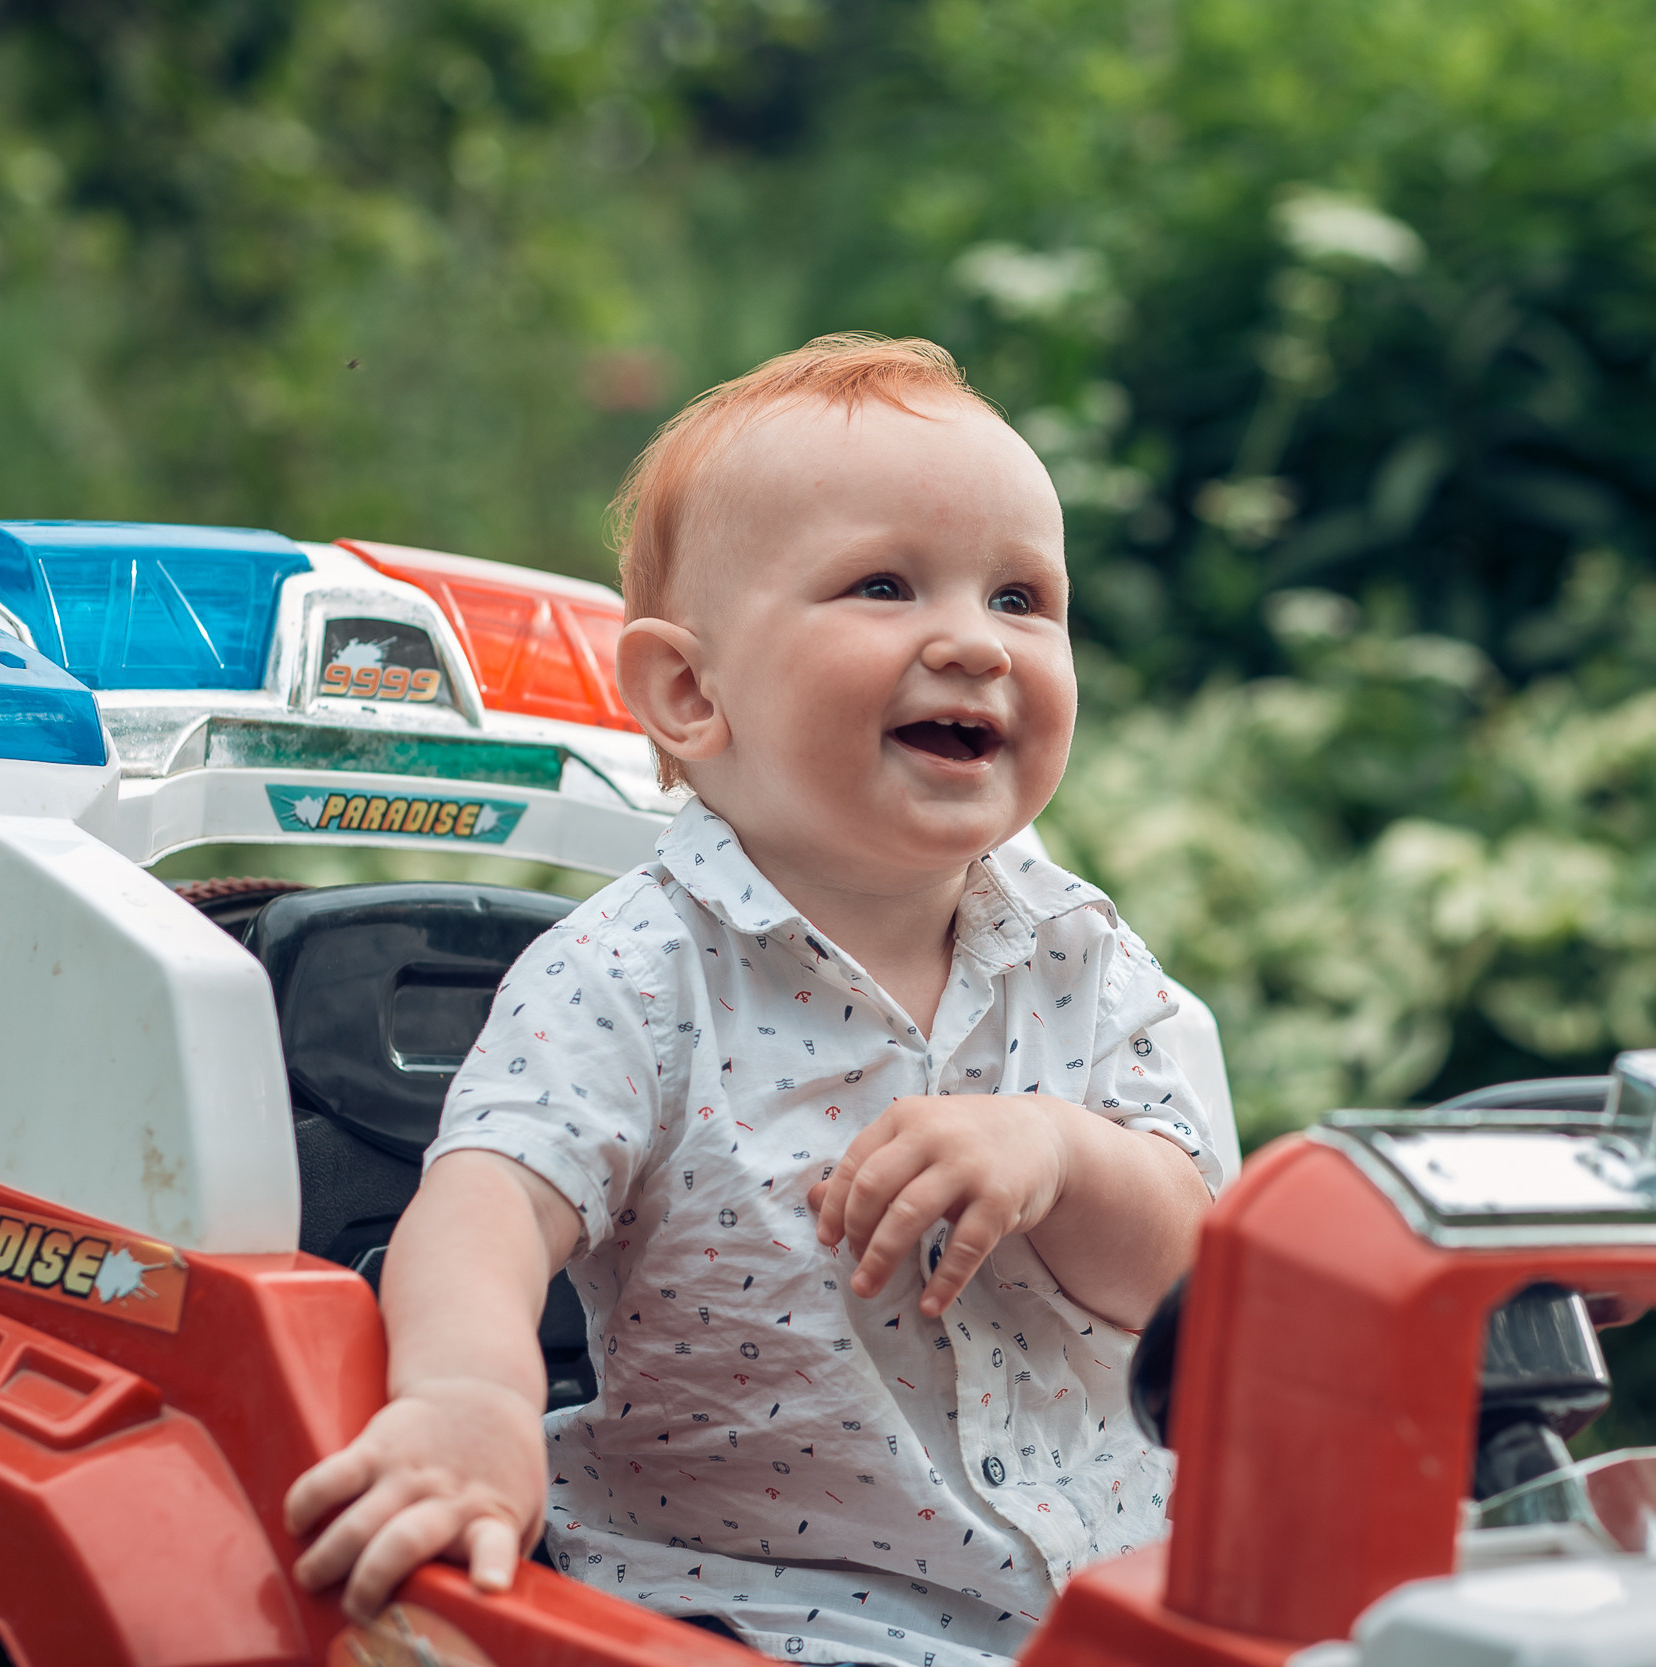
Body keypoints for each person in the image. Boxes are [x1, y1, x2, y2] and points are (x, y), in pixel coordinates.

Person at [284, 334, 1224, 1666]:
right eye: (884, 586)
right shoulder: (634, 977)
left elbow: (1199, 1281)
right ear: (687, 691)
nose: (971, 640)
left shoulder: (1083, 953)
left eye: (1022, 598)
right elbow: (489, 1202)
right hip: (782, 1614)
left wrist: (1063, 1155)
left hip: (1125, 1597)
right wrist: (467, 1402)